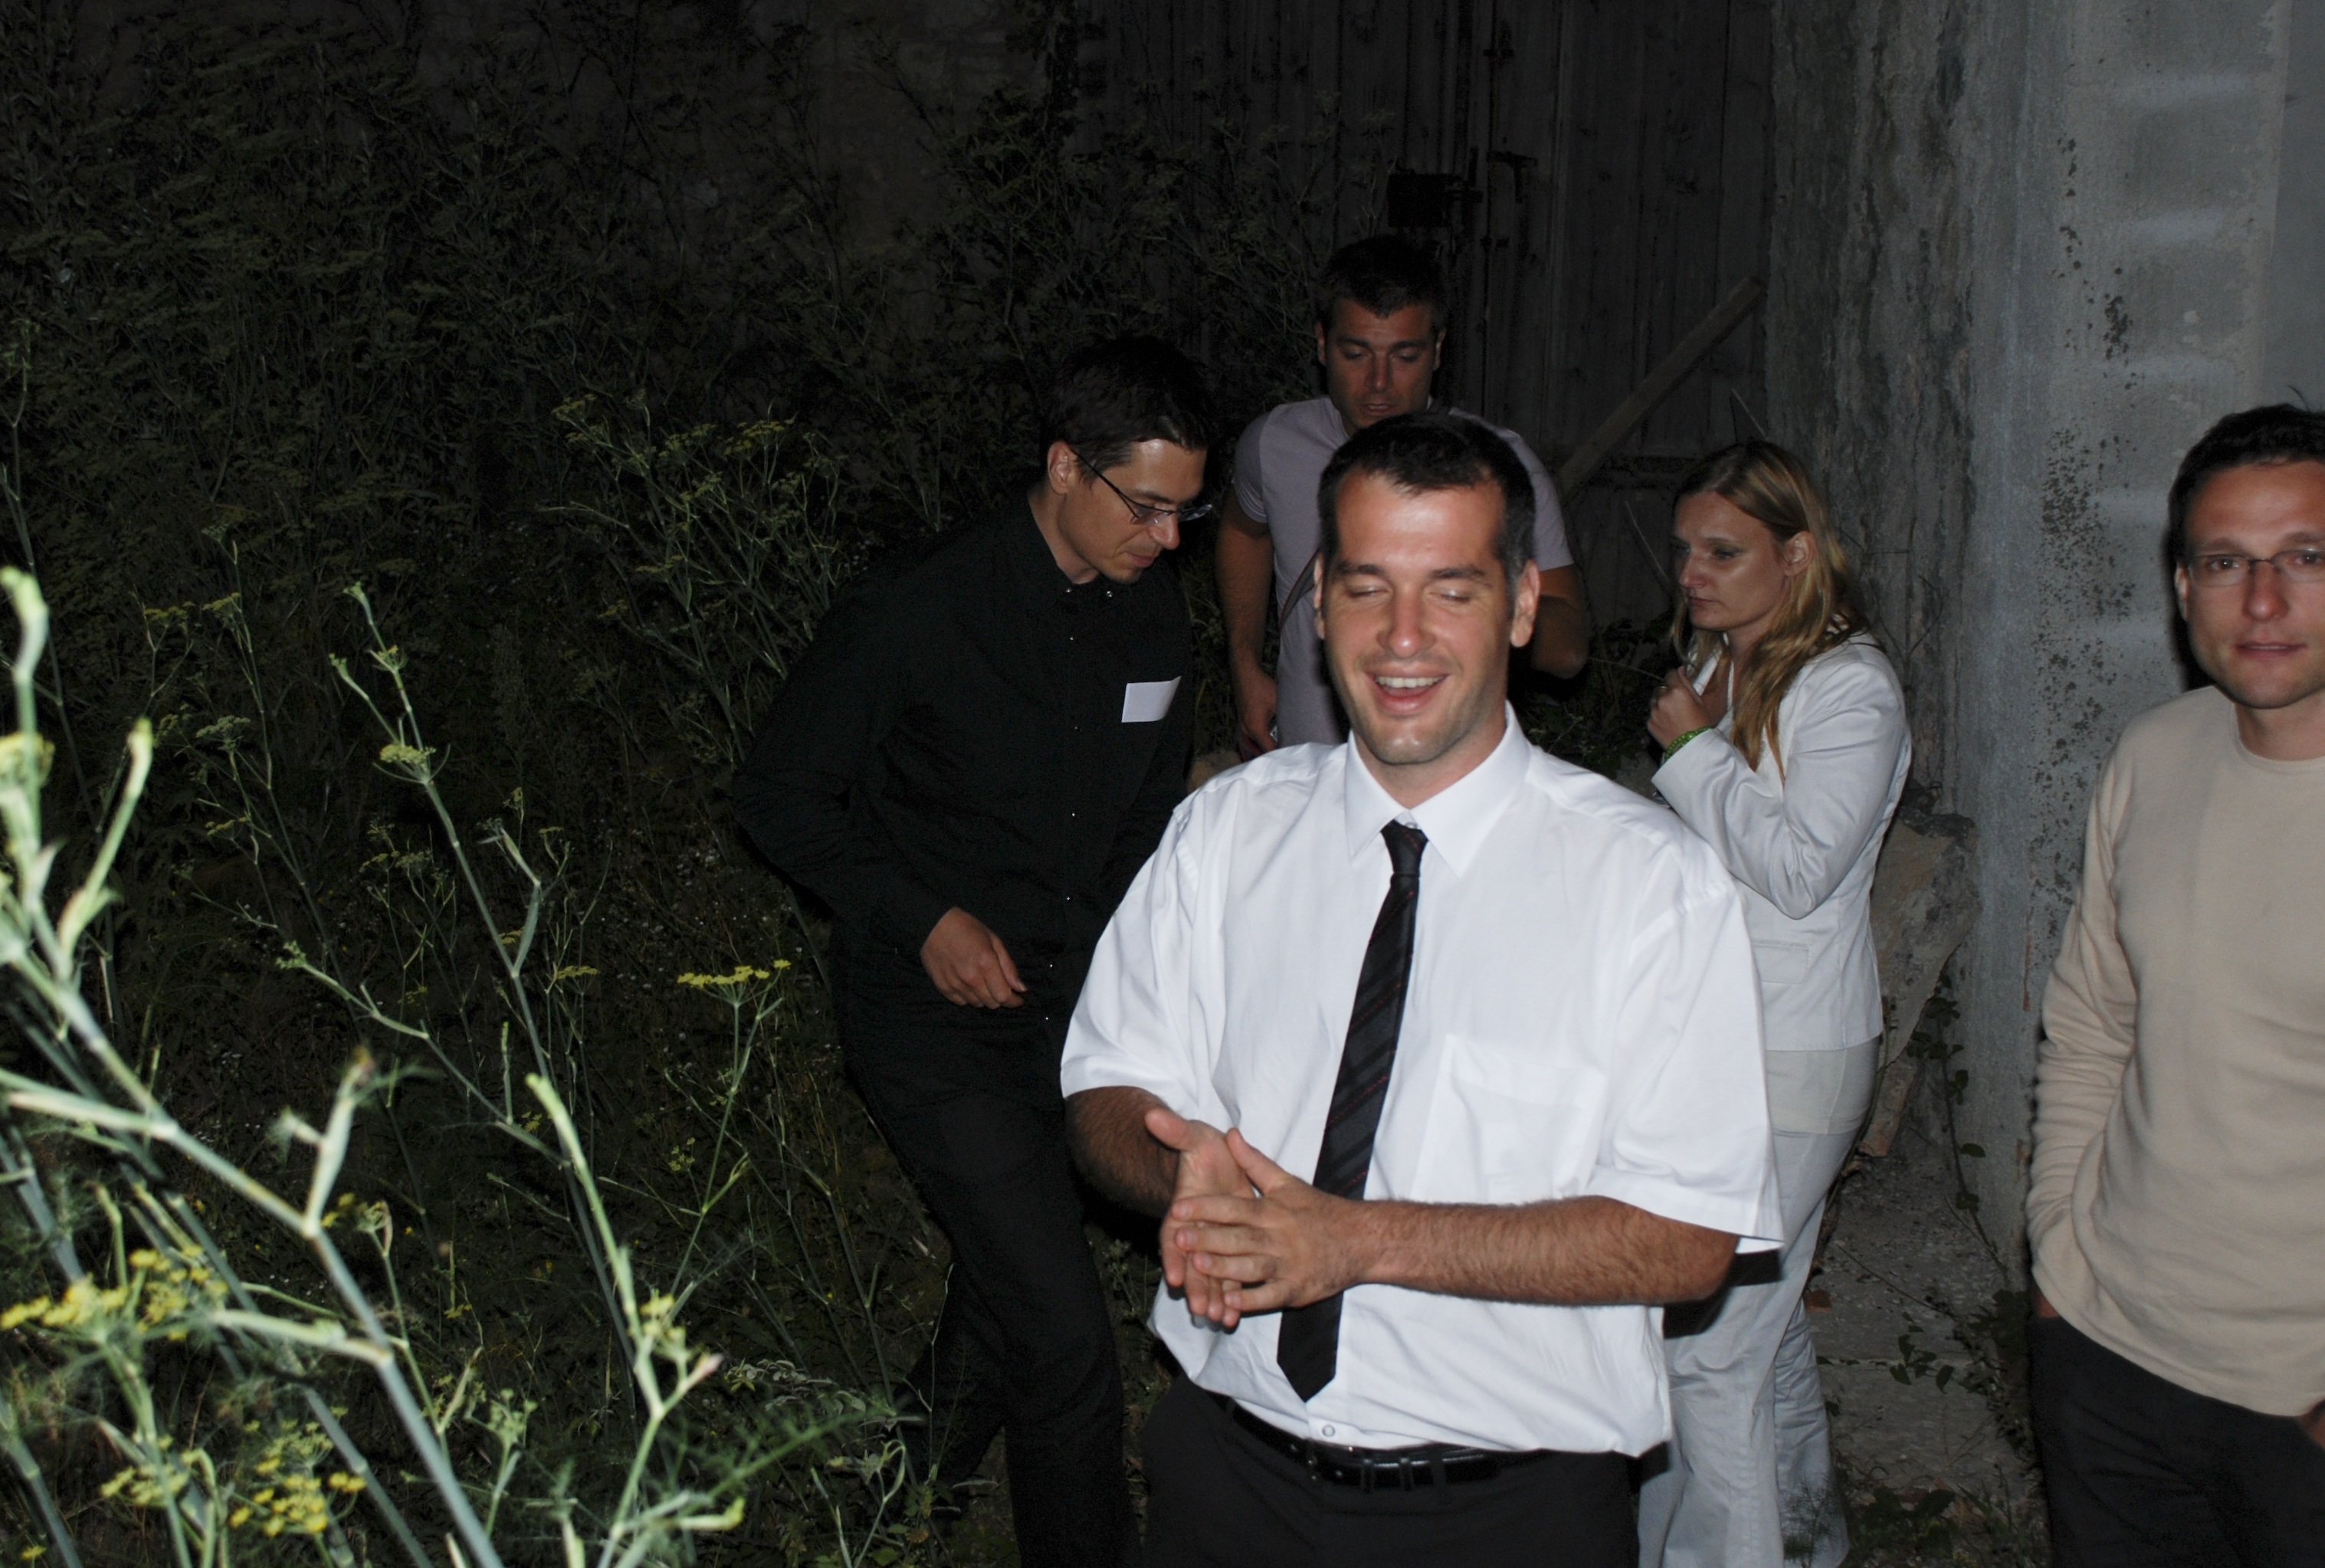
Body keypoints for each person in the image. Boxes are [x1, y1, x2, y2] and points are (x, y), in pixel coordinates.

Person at [1062, 412, 1782, 1568]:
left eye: (1451, 590)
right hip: (1229, 1470)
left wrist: (1356, 1242)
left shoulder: (1649, 885)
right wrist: (1177, 1169)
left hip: (1505, 1508)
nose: (1401, 637)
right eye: (1365, 588)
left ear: (1523, 604)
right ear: (1316, 601)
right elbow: (1107, 1081)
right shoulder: (1228, 830)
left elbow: (1688, 1237)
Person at [731, 336, 1215, 1566]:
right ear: (1063, 466)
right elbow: (777, 793)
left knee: (1012, 1291)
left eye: (1187, 510)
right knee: (1064, 1341)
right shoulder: (920, 604)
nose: (1169, 538)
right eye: (1145, 505)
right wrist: (918, 913)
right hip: (929, 1019)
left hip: (1078, 1015)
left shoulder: (1153, 613)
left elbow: (1147, 814)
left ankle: (890, 1499)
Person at [2028, 403, 2325, 1567]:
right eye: (2225, 562)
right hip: (2110, 1360)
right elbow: (2091, 1026)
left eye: (2304, 557)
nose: (2263, 602)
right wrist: (2056, 1263)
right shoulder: (2154, 755)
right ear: (2180, 586)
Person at [1635, 442, 1910, 1568]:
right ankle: (1804, 1533)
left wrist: (1690, 748)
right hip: (1720, 1039)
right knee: (1760, 1322)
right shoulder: (1719, 660)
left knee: (1707, 1350)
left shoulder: (1850, 687)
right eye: (1685, 551)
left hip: (1793, 1051)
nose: (1691, 574)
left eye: (1722, 552)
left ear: (1795, 555)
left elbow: (1799, 870)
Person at [1217, 235, 1589, 756]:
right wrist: (1245, 666)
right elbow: (1244, 532)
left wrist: (1467, 603)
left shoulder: (1497, 468)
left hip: (1444, 773)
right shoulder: (1275, 444)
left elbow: (1569, 646)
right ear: (1322, 344)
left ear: (1438, 351)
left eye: (1405, 356)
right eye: (1356, 354)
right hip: (1310, 769)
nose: (1379, 382)